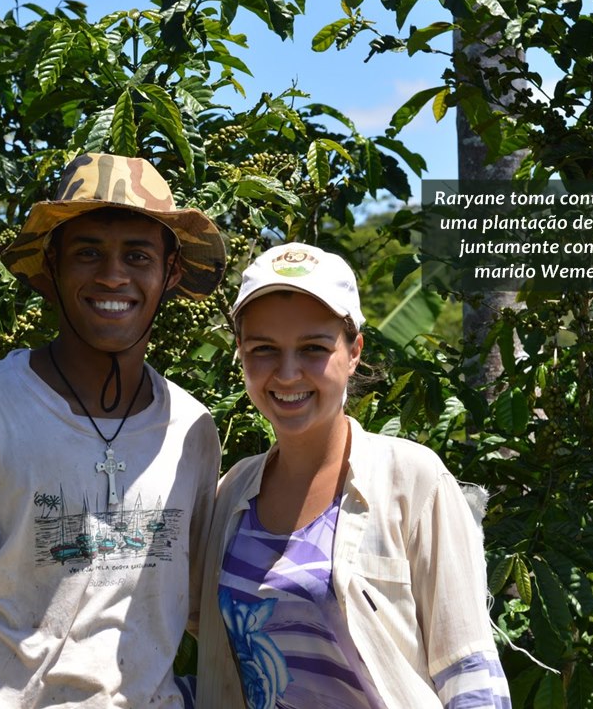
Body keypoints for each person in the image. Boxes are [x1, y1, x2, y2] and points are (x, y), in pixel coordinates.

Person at [0, 153, 226, 708]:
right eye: (88, 253)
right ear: (51, 266)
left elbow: (210, 612)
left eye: (137, 254)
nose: (112, 276)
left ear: (170, 273)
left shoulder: (191, 431)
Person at [196, 243, 511, 708]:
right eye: (263, 349)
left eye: (313, 349)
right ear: (241, 354)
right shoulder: (232, 493)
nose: (287, 373)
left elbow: (469, 677)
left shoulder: (413, 482)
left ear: (354, 352)